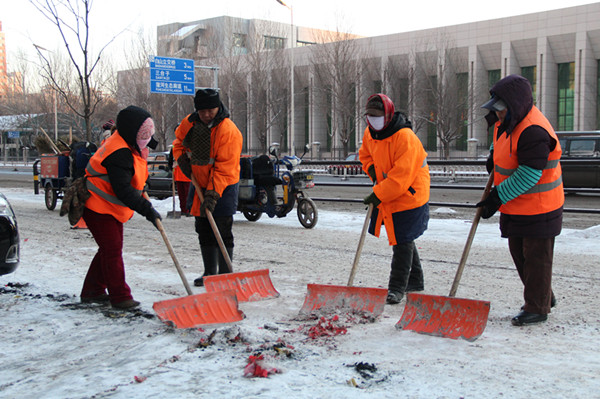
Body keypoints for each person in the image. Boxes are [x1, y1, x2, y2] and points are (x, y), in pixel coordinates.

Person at [477, 74, 563, 326]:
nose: (499, 115)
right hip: (517, 206)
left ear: (515, 105)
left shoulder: (533, 130)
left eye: (502, 110)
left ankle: (537, 307)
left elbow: (530, 173)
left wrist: (496, 198)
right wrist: (493, 157)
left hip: (540, 206)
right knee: (519, 254)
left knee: (536, 258)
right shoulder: (507, 121)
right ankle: (543, 295)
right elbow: (501, 143)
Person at [81, 105, 162, 309]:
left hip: (109, 207)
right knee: (112, 250)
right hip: (97, 205)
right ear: (131, 131)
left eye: (148, 134)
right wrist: (148, 211)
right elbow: (123, 190)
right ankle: (120, 296)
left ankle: (92, 291)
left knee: (109, 249)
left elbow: (136, 167)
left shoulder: (129, 142)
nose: (146, 139)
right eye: (142, 135)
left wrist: (143, 183)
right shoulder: (119, 152)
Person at [359, 93, 430, 305]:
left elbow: (401, 178)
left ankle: (397, 287)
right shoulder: (370, 134)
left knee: (402, 239)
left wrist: (377, 195)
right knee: (403, 237)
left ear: (388, 115)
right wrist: (373, 172)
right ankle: (415, 281)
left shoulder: (405, 138)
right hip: (389, 191)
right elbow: (365, 155)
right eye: (369, 116)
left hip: (411, 193)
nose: (373, 120)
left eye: (377, 115)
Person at [172, 89, 243, 287]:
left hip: (225, 183)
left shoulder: (228, 131)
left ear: (218, 107)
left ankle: (225, 275)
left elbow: (224, 168)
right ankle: (209, 272)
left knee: (221, 226)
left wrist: (213, 194)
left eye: (210, 110)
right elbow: (178, 143)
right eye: (202, 111)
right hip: (199, 182)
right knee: (203, 227)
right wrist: (181, 160)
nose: (206, 115)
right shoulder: (190, 123)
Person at [168, 144, 192, 216]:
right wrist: (171, 165)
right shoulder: (175, 145)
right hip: (179, 174)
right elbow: (171, 158)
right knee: (182, 195)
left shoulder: (187, 144)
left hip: (187, 175)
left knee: (187, 194)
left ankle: (188, 210)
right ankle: (184, 210)